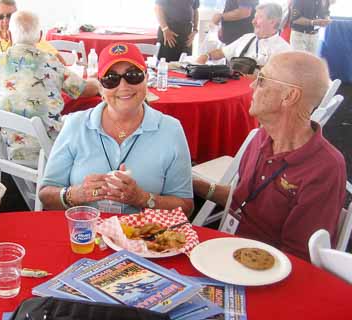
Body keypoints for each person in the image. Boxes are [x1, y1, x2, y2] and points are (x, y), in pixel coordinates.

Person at [193, 51, 346, 261]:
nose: (252, 86)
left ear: (289, 96)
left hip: (265, 270)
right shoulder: (262, 137)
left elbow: (299, 259)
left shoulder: (324, 167)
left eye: (262, 79)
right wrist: (190, 183)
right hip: (227, 249)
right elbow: (242, 198)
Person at [39, 42, 193, 215]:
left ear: (146, 78)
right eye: (111, 79)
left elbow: (185, 207)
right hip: (85, 235)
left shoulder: (170, 129)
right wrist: (75, 194)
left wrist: (142, 198)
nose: (123, 86)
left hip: (145, 237)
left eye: (133, 75)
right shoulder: (76, 124)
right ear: (101, 87)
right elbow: (46, 196)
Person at [0, 10, 99, 168]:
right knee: (89, 124)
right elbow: (84, 90)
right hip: (49, 150)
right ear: (40, 36)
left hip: (10, 149)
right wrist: (97, 81)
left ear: (9, 35)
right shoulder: (50, 61)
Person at [197, 3, 290, 69]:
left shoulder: (283, 50)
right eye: (255, 17)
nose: (253, 22)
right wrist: (206, 56)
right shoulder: (247, 38)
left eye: (259, 17)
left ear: (273, 21)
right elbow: (222, 52)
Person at [0, 0, 64, 70]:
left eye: (10, 16)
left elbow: (59, 60)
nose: (6, 20)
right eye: (0, 17)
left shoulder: (29, 34)